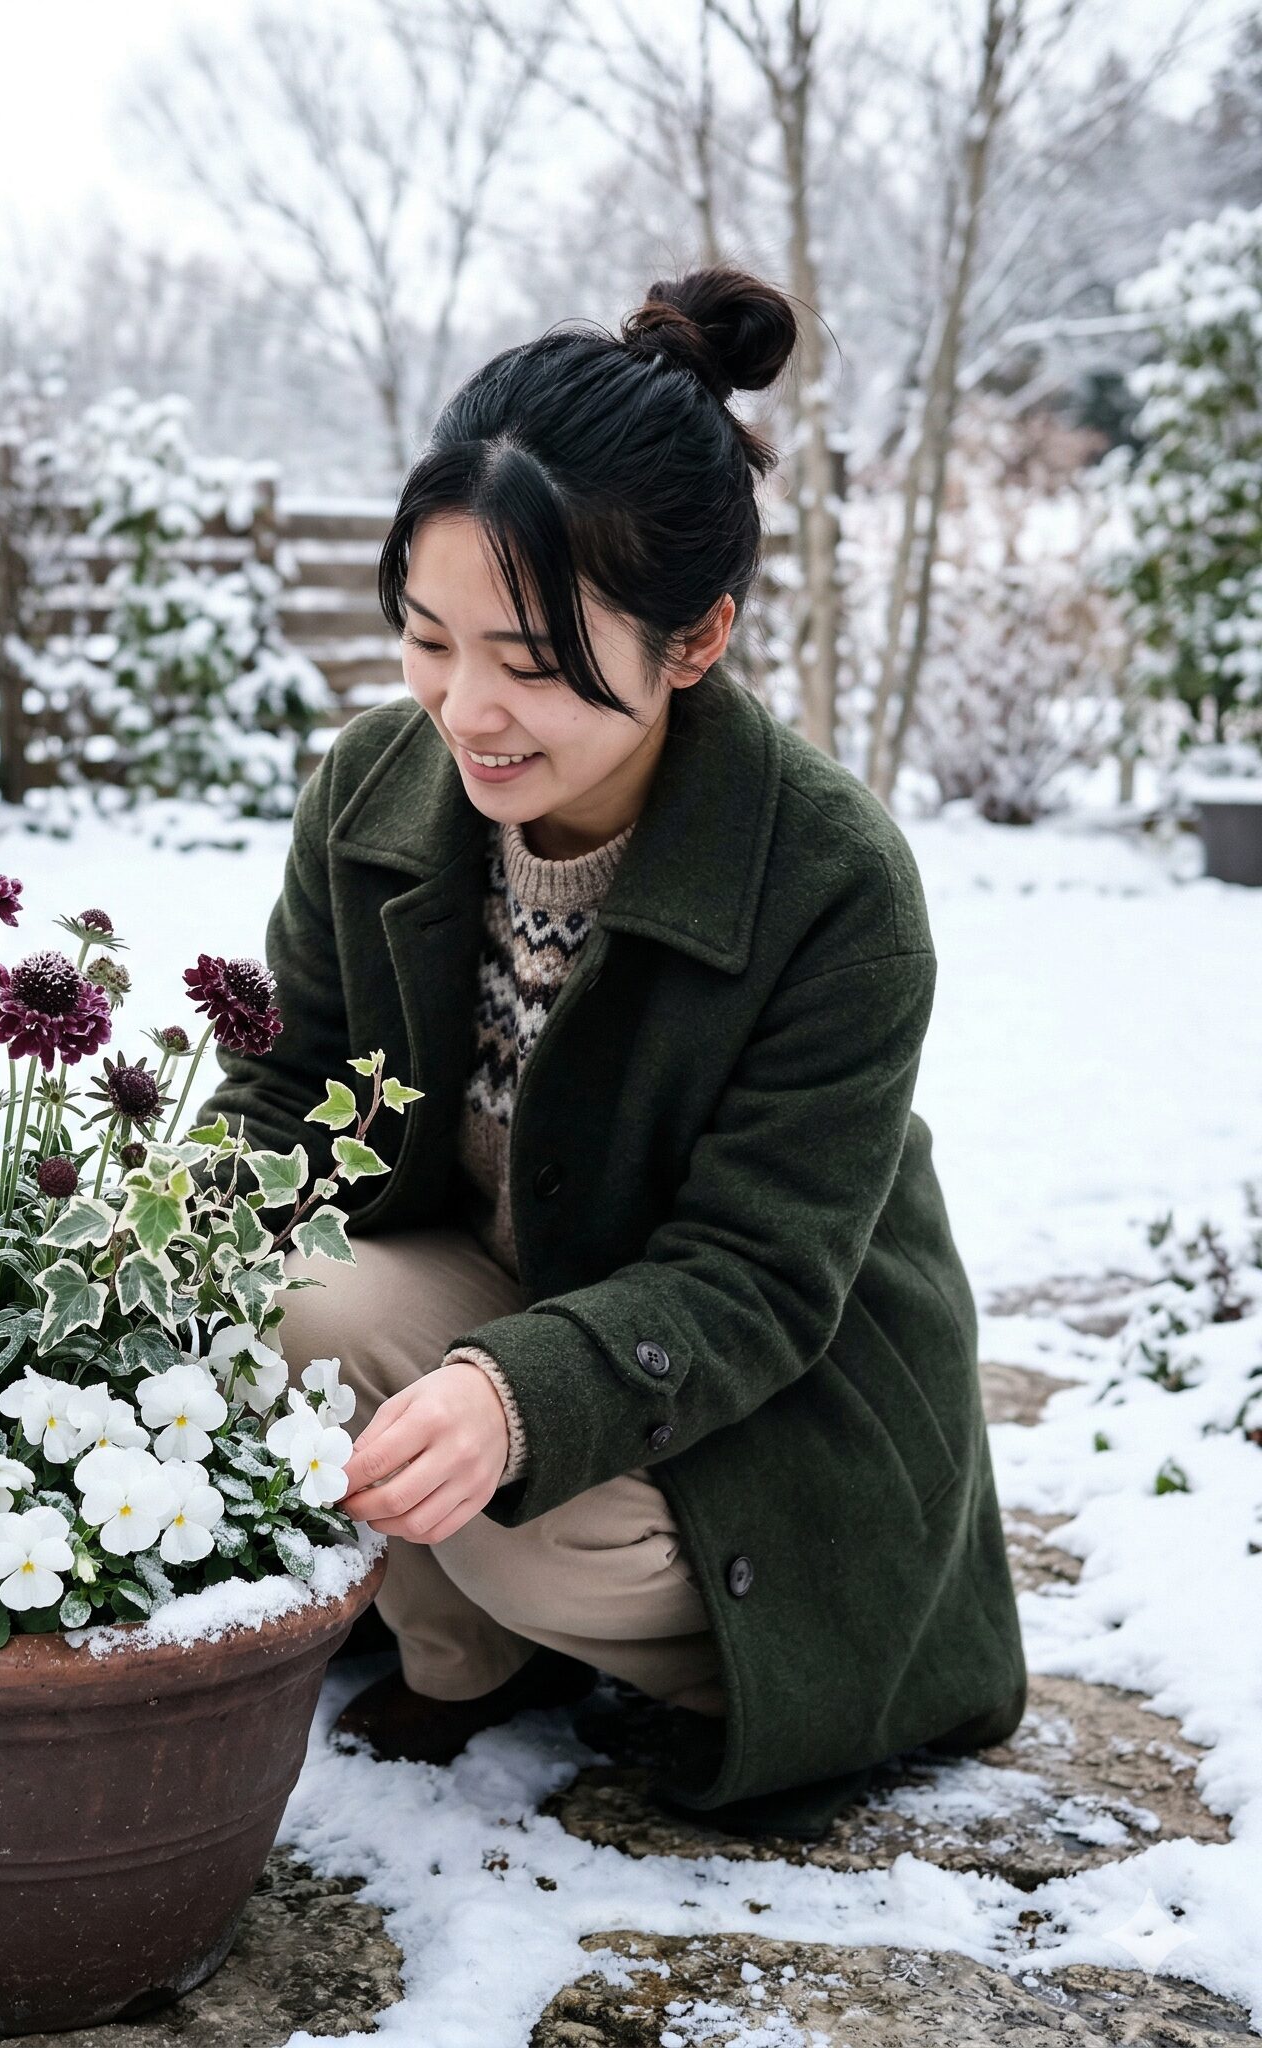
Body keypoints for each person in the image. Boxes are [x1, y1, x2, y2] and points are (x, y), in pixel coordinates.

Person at [193, 265, 1026, 1840]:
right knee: (291, 1295)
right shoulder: (373, 786)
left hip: (771, 1397)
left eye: (534, 660)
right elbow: (287, 1091)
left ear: (695, 637)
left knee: (521, 1524)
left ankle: (690, 1638)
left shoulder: (832, 879)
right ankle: (465, 1658)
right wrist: (148, 1259)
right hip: (516, 1301)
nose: (467, 707)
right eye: (429, 638)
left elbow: (760, 1274)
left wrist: (520, 1401)